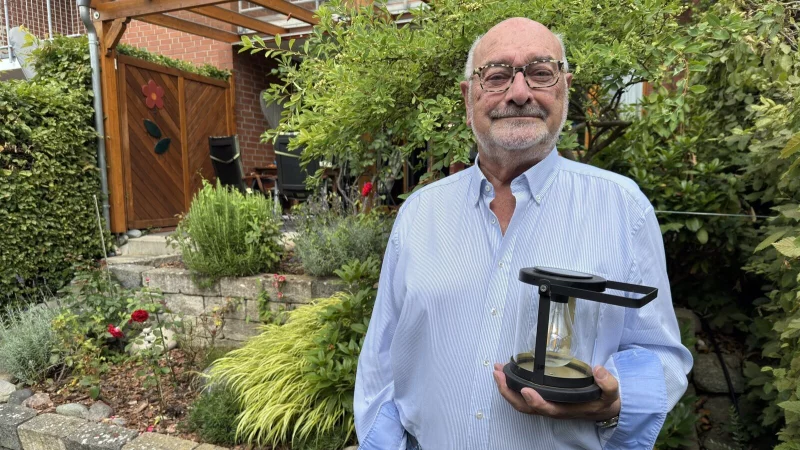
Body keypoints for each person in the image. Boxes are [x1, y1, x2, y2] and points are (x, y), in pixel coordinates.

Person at [354, 17, 693, 450]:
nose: (518, 93)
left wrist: (612, 403)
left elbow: (660, 354)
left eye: (540, 72)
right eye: (496, 76)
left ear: (564, 88)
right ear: (468, 96)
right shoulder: (420, 213)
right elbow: (380, 363)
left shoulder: (623, 209)